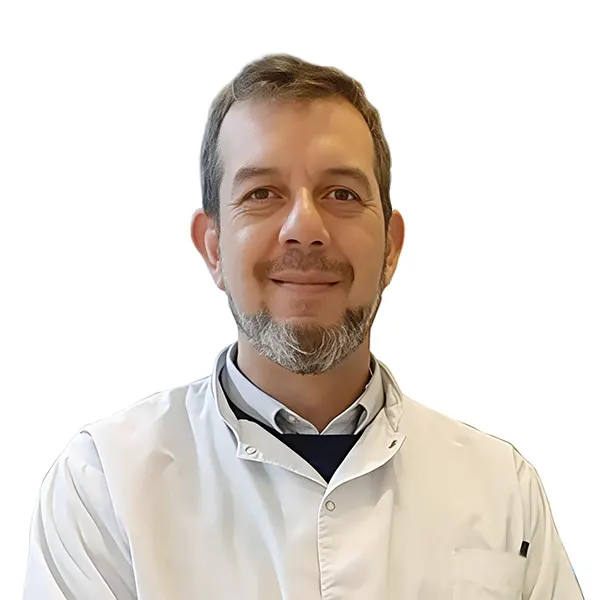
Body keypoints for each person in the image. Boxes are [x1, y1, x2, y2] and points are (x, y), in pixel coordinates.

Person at [23, 53, 585, 599]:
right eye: (261, 194)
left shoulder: (503, 489)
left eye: (342, 194)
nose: (305, 227)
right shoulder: (104, 486)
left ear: (391, 247)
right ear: (213, 248)